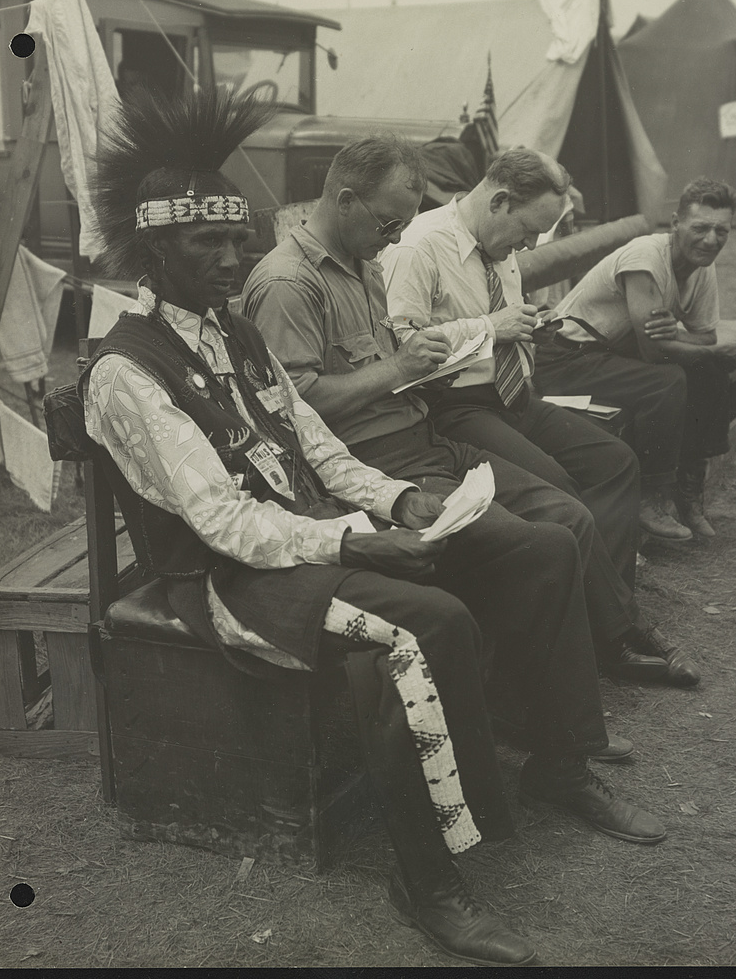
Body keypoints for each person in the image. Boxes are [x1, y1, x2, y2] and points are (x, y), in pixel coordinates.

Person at [83, 87, 665, 968]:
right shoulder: (125, 370)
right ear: (154, 249)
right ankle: (428, 884)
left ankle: (550, 764)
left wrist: (399, 503)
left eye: (239, 239)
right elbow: (222, 521)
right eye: (209, 242)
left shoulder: (236, 334)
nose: (234, 257)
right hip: (229, 581)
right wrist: (356, 541)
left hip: (307, 538)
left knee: (519, 551)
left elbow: (317, 449)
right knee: (424, 625)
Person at [244, 137, 697, 689]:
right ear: (345, 201)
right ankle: (567, 669)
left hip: (434, 426)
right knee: (553, 515)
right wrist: (428, 356)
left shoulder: (363, 262)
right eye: (388, 225)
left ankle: (606, 635)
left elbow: (394, 357)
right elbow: (298, 408)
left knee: (594, 482)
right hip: (417, 428)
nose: (393, 239)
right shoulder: (303, 279)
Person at [378, 146, 700, 687]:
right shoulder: (418, 247)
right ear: (500, 201)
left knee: (614, 461)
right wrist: (489, 329)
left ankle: (601, 620)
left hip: (510, 394)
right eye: (528, 232)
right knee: (558, 487)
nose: (528, 247)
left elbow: (506, 325)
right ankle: (618, 634)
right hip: (449, 407)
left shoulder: (497, 245)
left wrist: (525, 332)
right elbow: (401, 350)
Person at [532, 177, 736, 539]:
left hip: (608, 355)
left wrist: (681, 337)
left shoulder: (701, 264)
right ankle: (650, 494)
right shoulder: (646, 258)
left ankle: (689, 493)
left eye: (721, 231)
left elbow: (704, 333)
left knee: (706, 372)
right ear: (676, 223)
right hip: (564, 357)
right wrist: (706, 349)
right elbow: (654, 351)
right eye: (700, 228)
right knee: (666, 380)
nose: (711, 240)